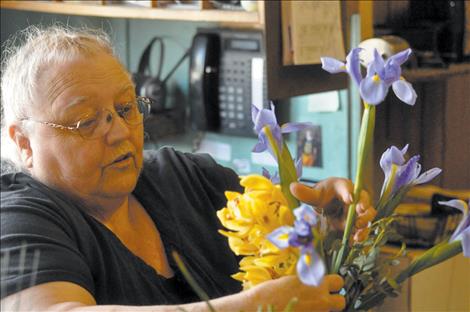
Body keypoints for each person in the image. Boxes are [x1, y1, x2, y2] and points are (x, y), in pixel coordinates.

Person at [0, 26, 376, 311]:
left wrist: (324, 222)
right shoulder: (17, 218)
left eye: (126, 108)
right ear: (23, 142)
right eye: (84, 120)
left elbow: (275, 230)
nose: (118, 133)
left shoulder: (187, 177)